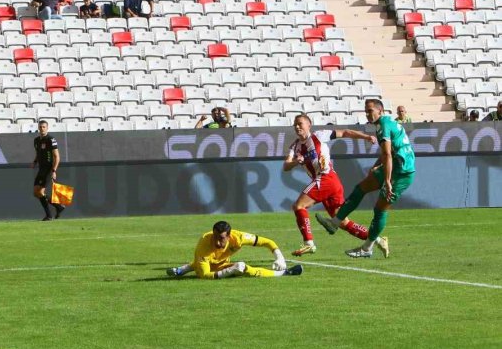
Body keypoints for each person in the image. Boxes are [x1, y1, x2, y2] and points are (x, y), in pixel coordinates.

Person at [316, 99, 416, 259]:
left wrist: (388, 181)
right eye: (366, 111)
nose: (367, 114)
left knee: (380, 209)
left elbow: (388, 154)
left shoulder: (383, 126)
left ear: (380, 111)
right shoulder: (385, 123)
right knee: (360, 188)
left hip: (402, 172)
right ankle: (335, 223)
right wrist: (377, 166)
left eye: (370, 110)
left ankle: (367, 248)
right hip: (394, 166)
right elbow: (386, 153)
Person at [285, 114, 377, 257]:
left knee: (299, 206)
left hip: (326, 178)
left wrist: (366, 137)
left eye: (300, 123)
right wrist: (297, 161)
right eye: (295, 124)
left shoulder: (319, 136)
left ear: (309, 125)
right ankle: (376, 239)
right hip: (329, 182)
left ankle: (309, 244)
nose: (297, 127)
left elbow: (345, 132)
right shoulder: (295, 146)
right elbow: (286, 166)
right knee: (341, 221)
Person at [166, 220, 304, 279]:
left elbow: (267, 242)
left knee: (243, 267)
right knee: (241, 267)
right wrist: (229, 271)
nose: (217, 241)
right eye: (215, 237)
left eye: (221, 238)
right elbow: (204, 275)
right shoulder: (204, 243)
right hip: (208, 265)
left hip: (220, 263)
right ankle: (185, 268)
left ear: (229, 236)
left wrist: (279, 257)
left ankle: (182, 269)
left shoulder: (238, 237)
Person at [32, 120, 64, 221]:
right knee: (36, 192)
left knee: (40, 192)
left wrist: (54, 170)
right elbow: (38, 153)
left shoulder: (51, 139)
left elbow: (57, 157)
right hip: (41, 168)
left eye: (44, 127)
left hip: (48, 168)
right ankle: (58, 207)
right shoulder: (36, 140)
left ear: (47, 128)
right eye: (40, 127)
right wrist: (35, 161)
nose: (42, 129)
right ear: (38, 128)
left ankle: (49, 215)